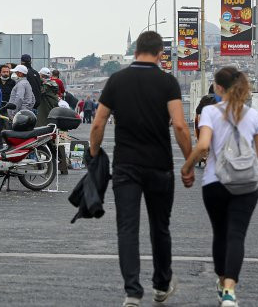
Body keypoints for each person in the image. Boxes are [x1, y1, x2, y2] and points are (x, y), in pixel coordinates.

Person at [89, 31, 192, 307]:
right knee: (160, 227)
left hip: (126, 167)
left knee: (127, 228)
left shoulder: (116, 81)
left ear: (135, 52)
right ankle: (161, 285)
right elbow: (180, 126)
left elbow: (98, 123)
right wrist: (189, 163)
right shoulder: (167, 82)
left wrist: (94, 153)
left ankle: (132, 293)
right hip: (159, 165)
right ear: (160, 54)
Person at [180, 68, 258, 307]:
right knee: (237, 235)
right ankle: (229, 291)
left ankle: (221, 279)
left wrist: (187, 167)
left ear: (218, 88)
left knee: (220, 233)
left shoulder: (209, 112)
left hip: (215, 182)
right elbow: (255, 154)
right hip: (246, 184)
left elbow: (204, 145)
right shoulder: (253, 115)